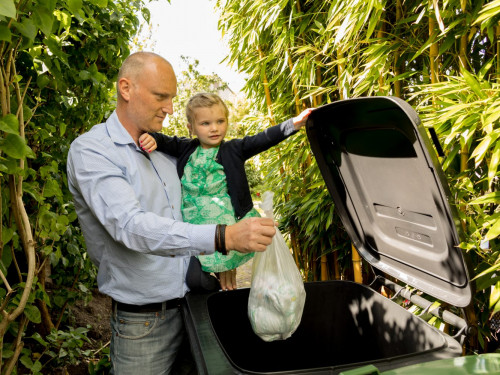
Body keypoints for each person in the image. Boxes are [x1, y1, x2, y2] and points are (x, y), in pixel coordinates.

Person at [66, 52, 277, 375]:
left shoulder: (168, 155)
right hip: (145, 324)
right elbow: (131, 227)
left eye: (172, 98)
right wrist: (223, 237)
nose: (170, 108)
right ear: (126, 88)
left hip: (199, 305)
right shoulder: (93, 150)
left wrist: (219, 263)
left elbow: (197, 209)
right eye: (161, 97)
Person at [139, 93, 312, 290]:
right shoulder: (186, 148)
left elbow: (262, 139)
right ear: (191, 127)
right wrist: (151, 138)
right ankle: (209, 294)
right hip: (193, 225)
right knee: (195, 278)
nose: (214, 128)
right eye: (205, 123)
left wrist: (294, 124)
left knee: (227, 282)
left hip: (224, 224)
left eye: (220, 121)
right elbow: (163, 140)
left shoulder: (234, 149)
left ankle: (222, 305)